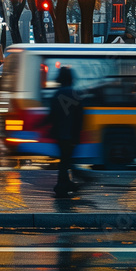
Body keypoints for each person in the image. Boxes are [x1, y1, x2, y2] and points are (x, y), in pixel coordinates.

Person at [47, 66, 84, 198]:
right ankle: (63, 185)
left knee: (64, 160)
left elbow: (52, 115)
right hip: (71, 134)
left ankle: (65, 184)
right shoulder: (75, 93)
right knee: (66, 160)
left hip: (60, 133)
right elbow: (80, 117)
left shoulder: (57, 94)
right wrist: (78, 133)